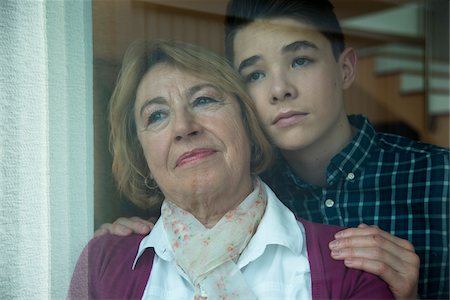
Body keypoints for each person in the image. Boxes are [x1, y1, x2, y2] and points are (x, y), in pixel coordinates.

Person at [96, 1, 449, 299]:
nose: (279, 90)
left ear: (345, 69)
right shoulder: (237, 189)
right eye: (255, 75)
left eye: (300, 61)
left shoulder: (440, 179)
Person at [68, 40, 394, 299]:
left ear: (248, 125)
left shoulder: (351, 267)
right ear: (142, 157)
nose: (183, 127)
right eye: (156, 116)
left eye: (204, 100)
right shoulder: (105, 262)